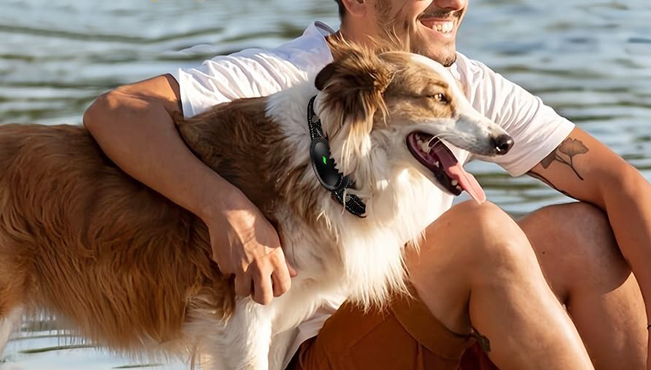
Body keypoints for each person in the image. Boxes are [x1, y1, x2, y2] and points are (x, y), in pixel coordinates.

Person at [82, 0, 650, 369]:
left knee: (586, 232)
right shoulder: (277, 78)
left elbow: (621, 184)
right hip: (320, 347)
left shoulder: (464, 87)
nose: (454, 1)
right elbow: (118, 110)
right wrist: (226, 209)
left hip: (433, 325)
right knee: (482, 232)